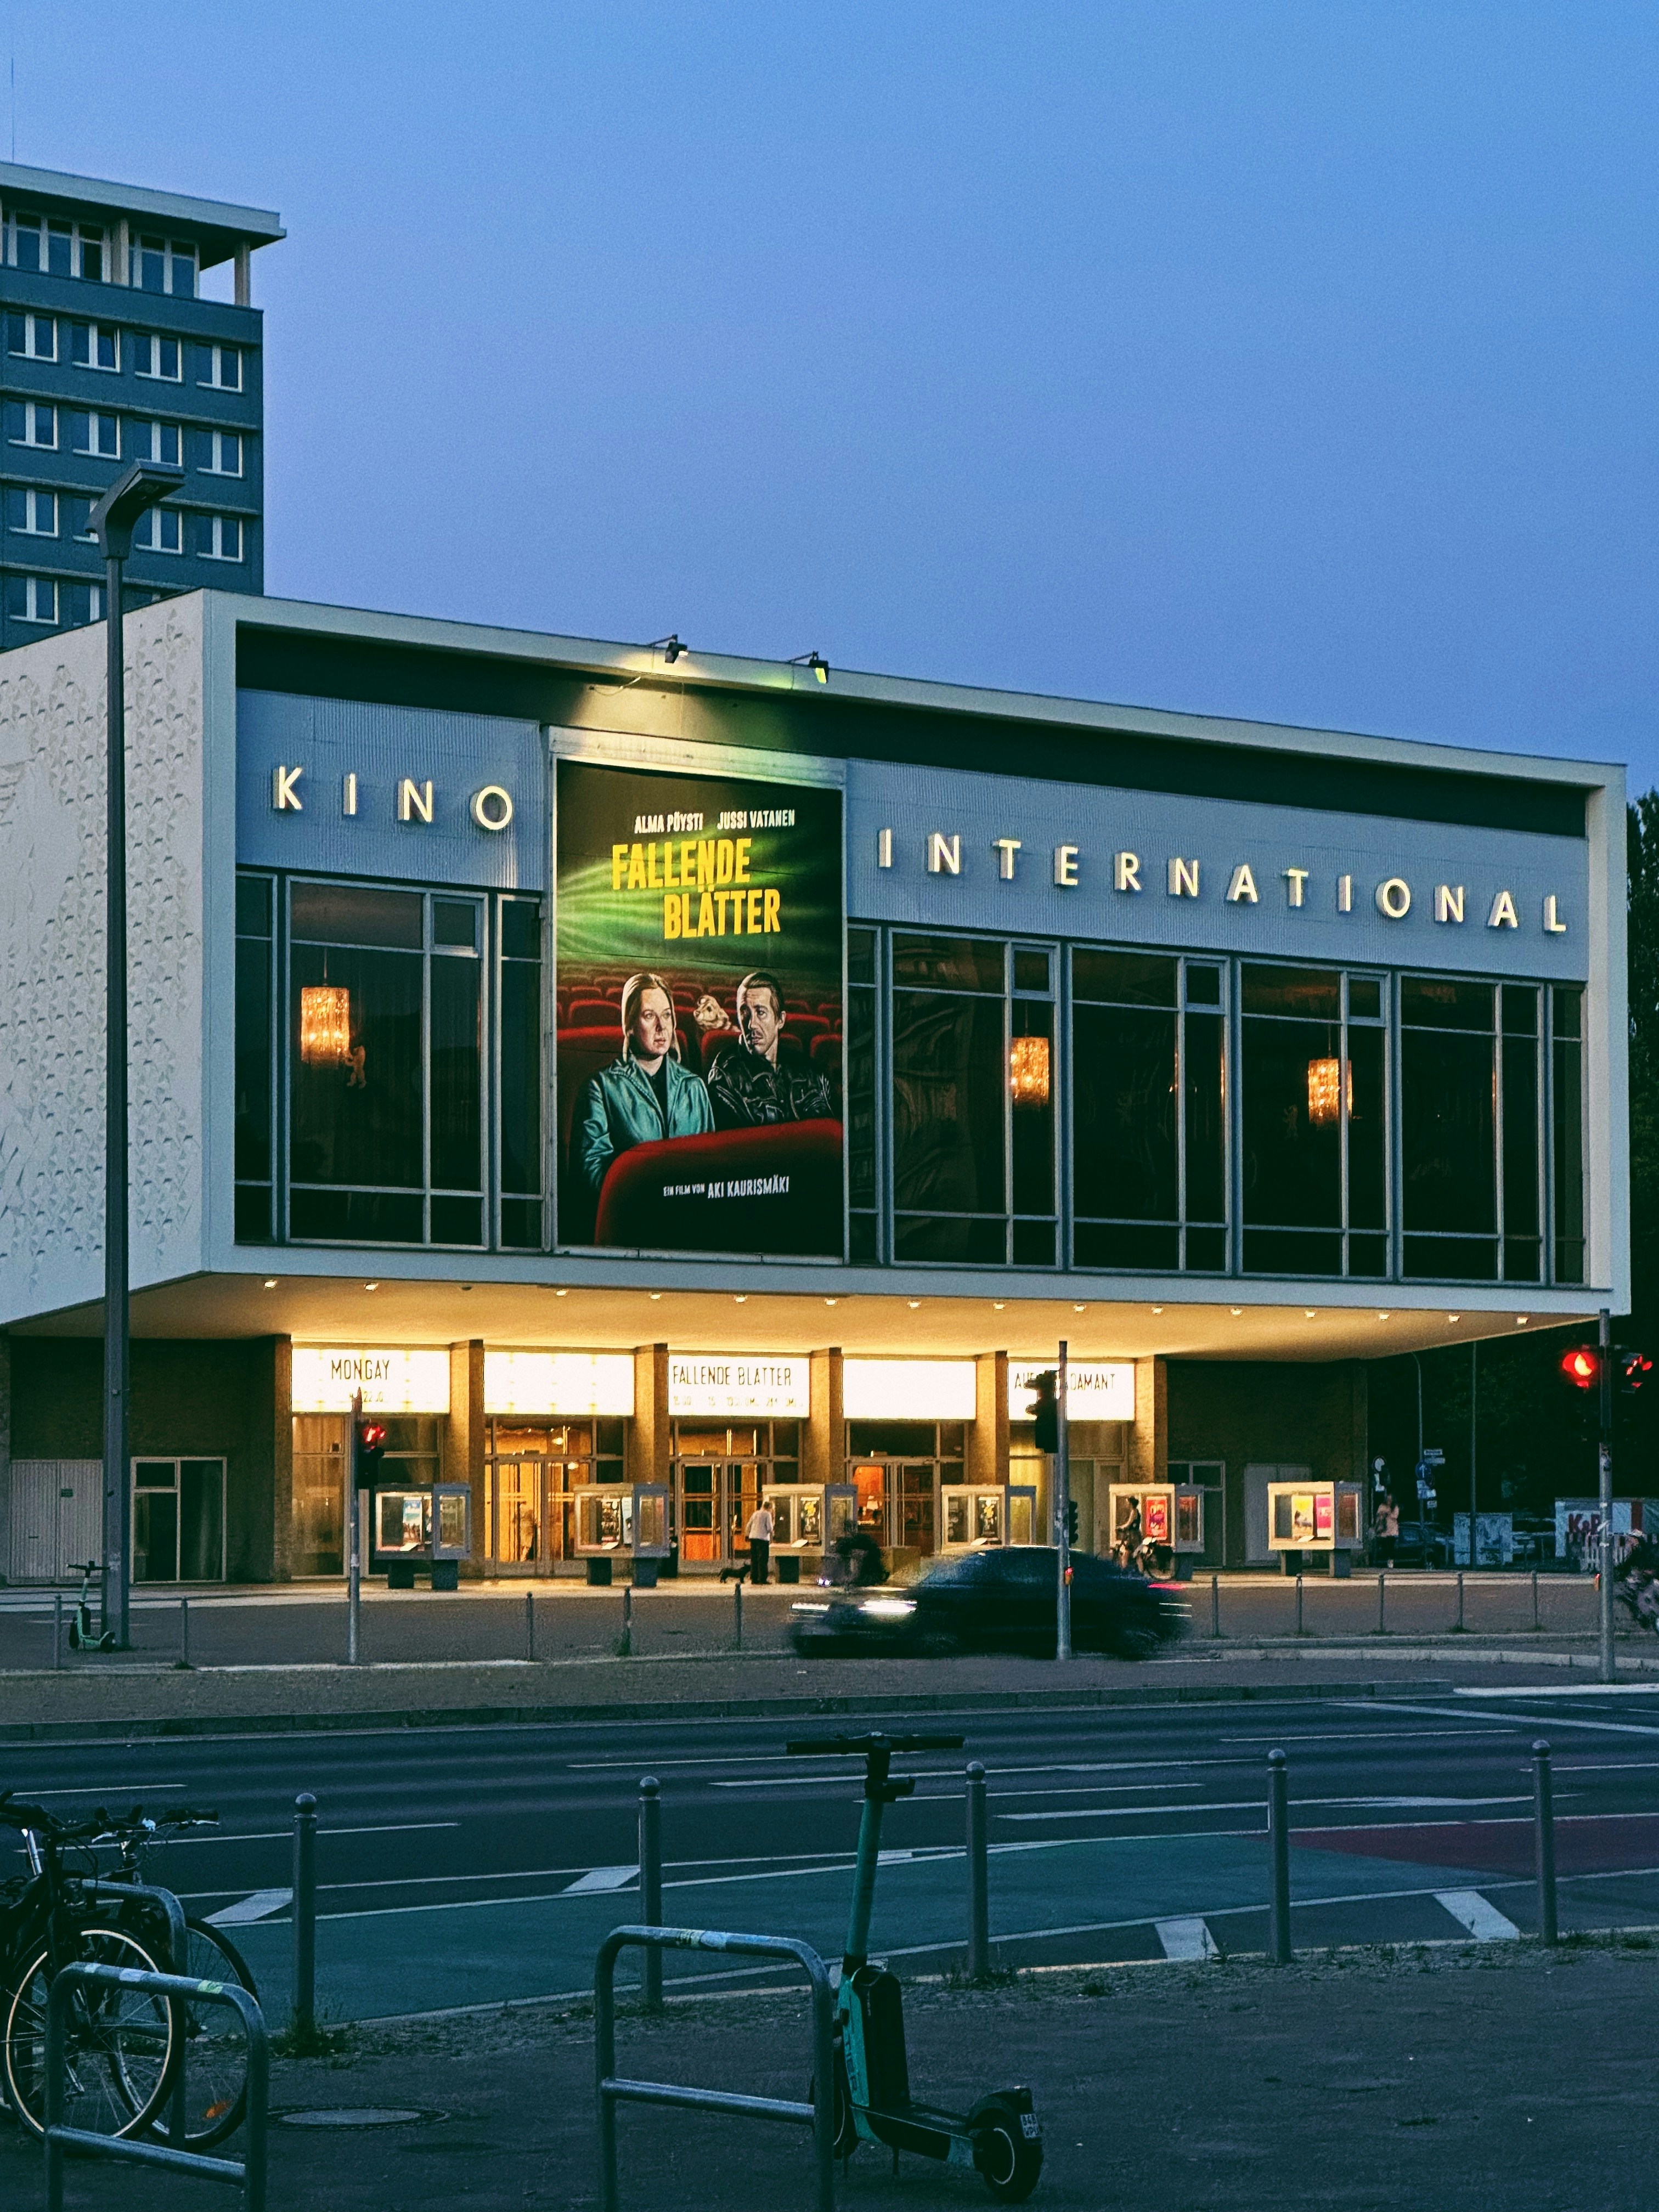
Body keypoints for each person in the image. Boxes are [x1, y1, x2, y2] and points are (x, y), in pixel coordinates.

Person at [572, 971, 714, 1204]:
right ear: (629, 1026)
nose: (661, 1027)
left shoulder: (695, 1087)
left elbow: (711, 1165)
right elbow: (593, 1173)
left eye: (667, 1016)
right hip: (633, 1219)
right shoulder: (600, 1088)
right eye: (650, 1015)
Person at [707, 969, 836, 1130]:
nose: (751, 1024)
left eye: (761, 1012)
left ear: (780, 1020)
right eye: (744, 1012)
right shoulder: (725, 1075)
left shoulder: (812, 1072)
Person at [744, 1499, 775, 1585]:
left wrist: (748, 1534)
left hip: (753, 1538)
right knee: (763, 1559)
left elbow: (749, 1525)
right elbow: (769, 1528)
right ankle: (763, 1579)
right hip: (763, 1539)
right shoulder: (767, 1514)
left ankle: (754, 1578)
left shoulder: (756, 1513)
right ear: (769, 1508)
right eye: (772, 1509)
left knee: (754, 1559)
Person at [1374, 1492, 1399, 1568]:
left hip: (1392, 1530)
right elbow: (1379, 1514)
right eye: (1388, 1499)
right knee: (1384, 1546)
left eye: (1390, 1499)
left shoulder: (1395, 1507)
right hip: (1384, 1530)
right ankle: (1385, 1560)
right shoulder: (1382, 1506)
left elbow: (1395, 1516)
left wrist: (1388, 1513)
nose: (1389, 1501)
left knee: (1391, 1546)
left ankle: (1391, 1561)